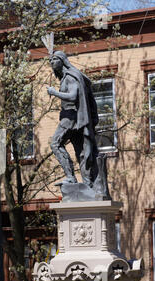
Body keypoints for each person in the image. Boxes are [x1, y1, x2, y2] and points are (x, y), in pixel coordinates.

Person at [46, 51, 99, 187]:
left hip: (71, 116)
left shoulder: (70, 76)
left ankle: (70, 177)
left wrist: (54, 92)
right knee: (81, 151)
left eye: (54, 60)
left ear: (62, 60)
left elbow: (73, 96)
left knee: (55, 143)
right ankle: (88, 183)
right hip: (71, 117)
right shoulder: (66, 77)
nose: (51, 63)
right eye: (50, 61)